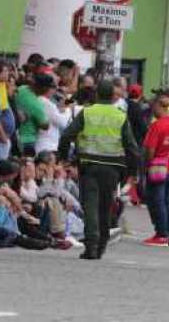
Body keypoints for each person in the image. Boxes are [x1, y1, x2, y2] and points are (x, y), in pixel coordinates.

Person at [58, 79, 140, 260]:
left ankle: (91, 246)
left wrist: (64, 158)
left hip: (89, 166)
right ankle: (101, 245)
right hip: (112, 168)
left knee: (90, 206)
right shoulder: (120, 116)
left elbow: (66, 136)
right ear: (112, 96)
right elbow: (132, 147)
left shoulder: (87, 113)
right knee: (104, 207)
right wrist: (133, 173)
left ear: (96, 95)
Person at [142, 95, 169, 247]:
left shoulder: (157, 125)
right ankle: (168, 233)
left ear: (159, 106)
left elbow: (150, 150)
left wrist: (147, 165)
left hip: (158, 169)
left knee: (157, 202)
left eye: (153, 108)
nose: (152, 112)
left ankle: (161, 235)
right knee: (168, 202)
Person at [34, 74, 72, 155]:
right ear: (47, 88)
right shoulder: (46, 103)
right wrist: (68, 110)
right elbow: (63, 123)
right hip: (46, 145)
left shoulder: (38, 100)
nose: (55, 90)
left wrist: (61, 109)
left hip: (44, 143)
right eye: (53, 87)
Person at [14, 75, 48, 157]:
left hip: (16, 135)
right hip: (28, 139)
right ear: (43, 88)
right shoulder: (36, 104)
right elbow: (45, 125)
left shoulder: (22, 88)